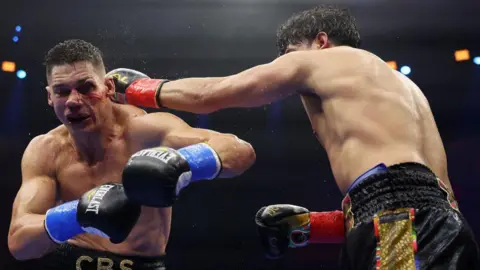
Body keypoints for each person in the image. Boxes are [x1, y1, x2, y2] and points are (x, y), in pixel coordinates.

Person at [106, 5, 479, 269]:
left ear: (320, 41)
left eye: (287, 54)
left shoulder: (321, 60)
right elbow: (420, 196)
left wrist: (138, 88)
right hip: (439, 227)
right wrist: (312, 227)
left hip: (400, 226)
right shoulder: (405, 89)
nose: (284, 67)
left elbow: (213, 93)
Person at [7, 39, 256, 270]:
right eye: (62, 91)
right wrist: (79, 213)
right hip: (69, 261)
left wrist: (184, 162)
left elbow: (239, 151)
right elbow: (19, 243)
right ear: (50, 97)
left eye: (86, 88)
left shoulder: (146, 132)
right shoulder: (46, 149)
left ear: (108, 87)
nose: (73, 100)